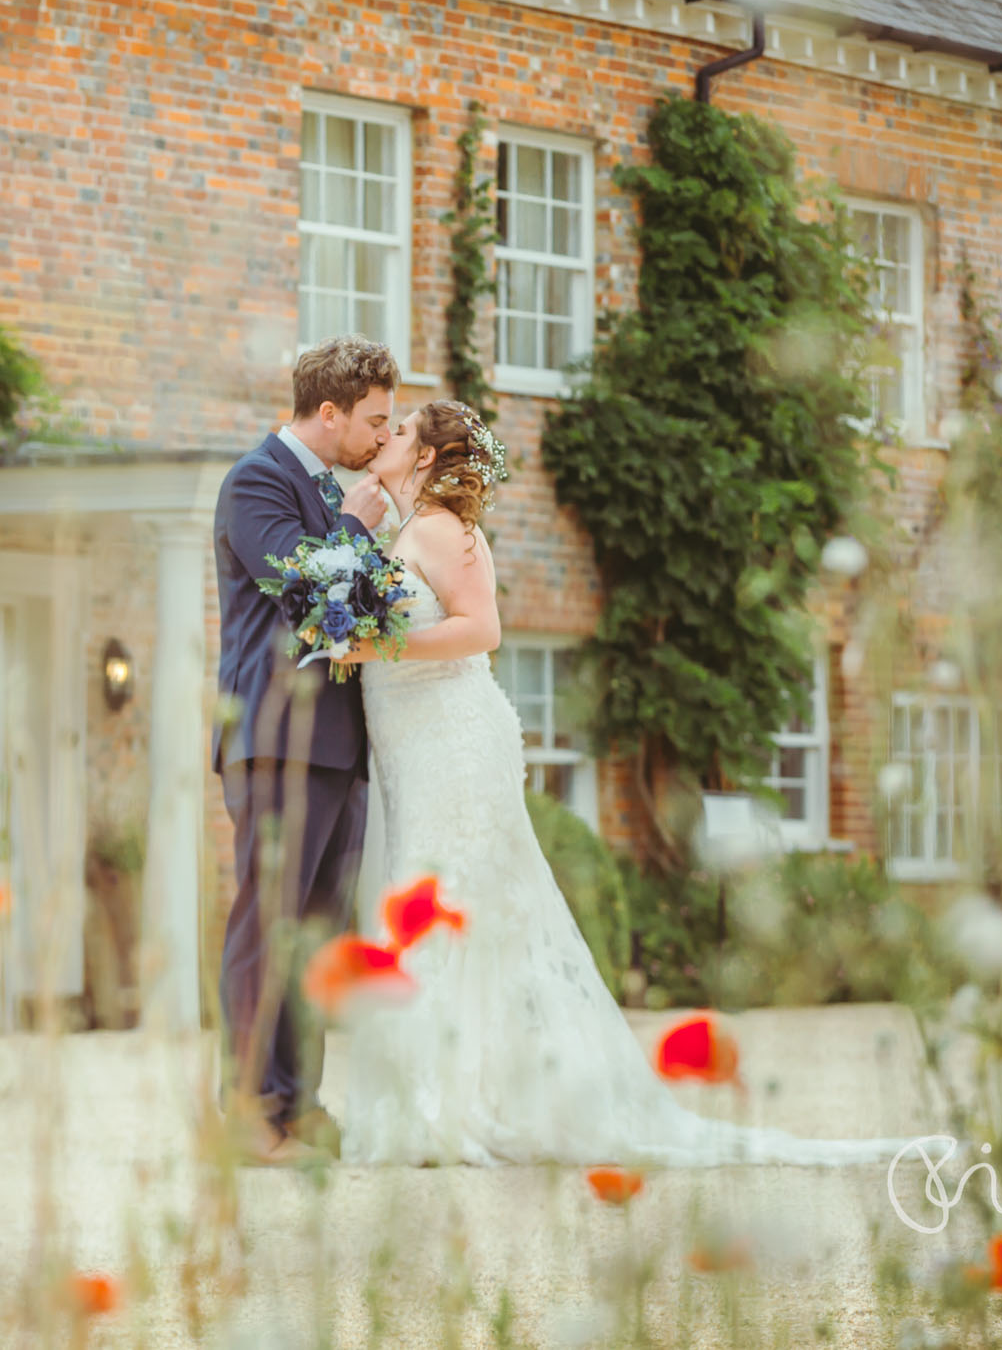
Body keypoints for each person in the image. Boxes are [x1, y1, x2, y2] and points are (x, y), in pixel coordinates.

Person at [332, 399, 909, 1166]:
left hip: (453, 741)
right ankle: (442, 1096)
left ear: (430, 457)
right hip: (412, 746)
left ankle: (456, 1105)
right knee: (428, 900)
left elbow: (483, 629)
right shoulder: (400, 531)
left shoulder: (443, 530)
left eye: (400, 430)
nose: (386, 437)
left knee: (451, 902)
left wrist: (379, 644)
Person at [211, 335, 400, 1165]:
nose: (384, 441)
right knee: (268, 922)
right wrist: (358, 525)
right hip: (276, 739)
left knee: (317, 936)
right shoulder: (256, 482)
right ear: (329, 413)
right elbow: (304, 591)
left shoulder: (329, 486)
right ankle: (249, 1109)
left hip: (337, 745)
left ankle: (301, 1104)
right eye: (375, 423)